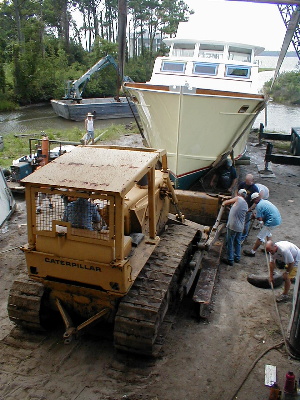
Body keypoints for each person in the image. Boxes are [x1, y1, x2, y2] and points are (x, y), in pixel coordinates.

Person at [243, 193, 282, 257]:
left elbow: (259, 218)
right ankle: (270, 248)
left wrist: (255, 216)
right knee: (268, 233)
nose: (253, 203)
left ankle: (253, 252)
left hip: (272, 221)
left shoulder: (259, 206)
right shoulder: (265, 201)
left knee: (260, 237)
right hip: (277, 219)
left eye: (253, 201)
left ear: (256, 199)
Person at [221, 188, 248, 266]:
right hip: (240, 227)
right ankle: (237, 257)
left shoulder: (238, 198)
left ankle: (230, 260)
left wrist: (224, 200)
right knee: (237, 242)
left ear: (239, 194)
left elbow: (225, 202)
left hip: (233, 226)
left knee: (230, 242)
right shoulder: (245, 204)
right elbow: (236, 211)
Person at [238, 174, 259, 242]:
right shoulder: (242, 184)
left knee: (246, 222)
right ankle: (238, 234)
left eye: (248, 182)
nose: (247, 183)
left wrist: (250, 209)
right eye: (246, 181)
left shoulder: (255, 189)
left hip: (248, 207)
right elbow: (237, 191)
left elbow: (256, 202)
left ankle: (243, 236)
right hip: (240, 206)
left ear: (252, 181)